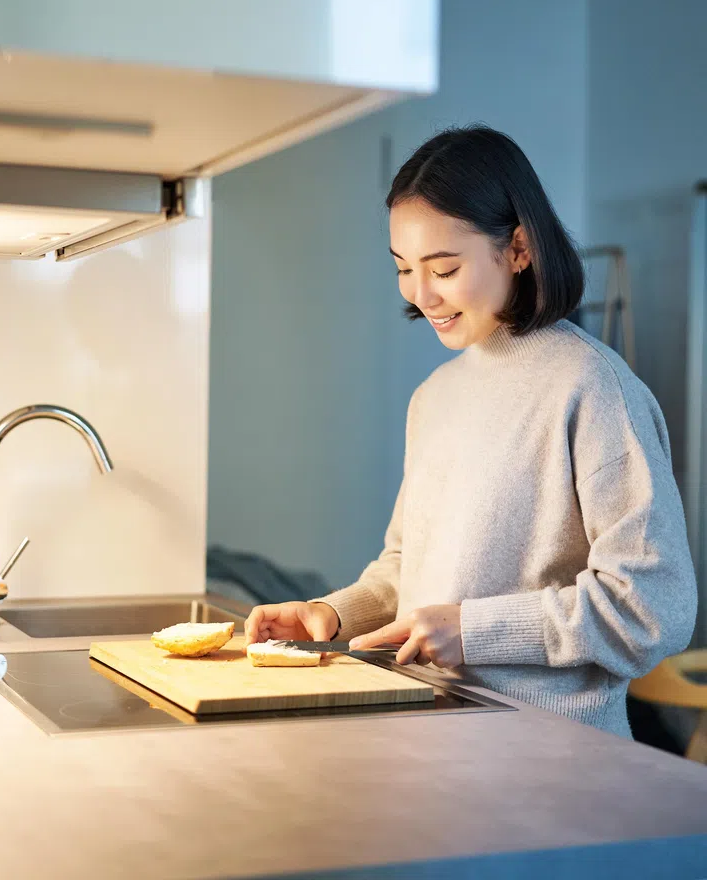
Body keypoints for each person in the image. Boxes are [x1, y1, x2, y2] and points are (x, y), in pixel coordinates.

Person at [244, 125, 698, 738]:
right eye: (404, 268)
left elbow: (652, 608)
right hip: (436, 743)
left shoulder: (592, 388)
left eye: (444, 268)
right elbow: (412, 569)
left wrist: (473, 629)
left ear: (518, 248)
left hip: (552, 761)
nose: (421, 294)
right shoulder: (435, 397)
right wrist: (331, 615)